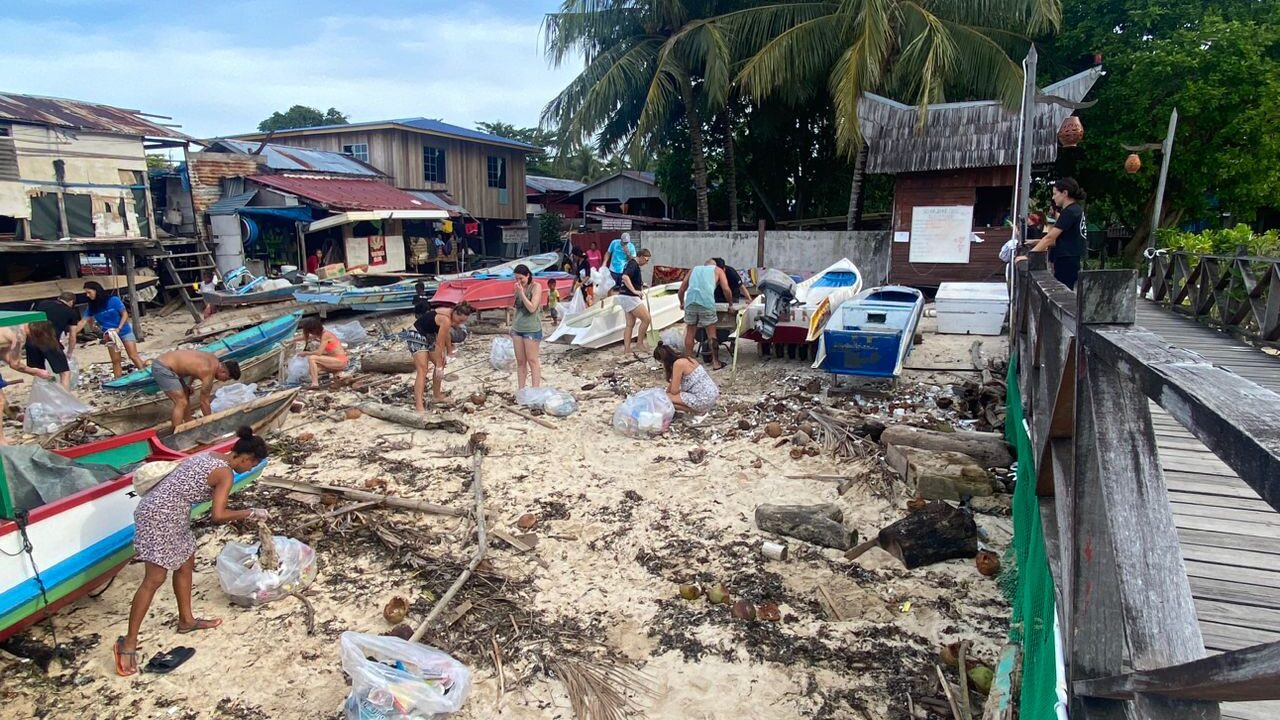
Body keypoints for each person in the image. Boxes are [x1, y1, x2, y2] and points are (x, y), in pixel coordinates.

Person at [113, 426, 270, 677]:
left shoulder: (213, 456)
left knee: (186, 562)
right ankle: (128, 643)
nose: (249, 470)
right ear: (244, 457)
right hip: (160, 517)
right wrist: (251, 512)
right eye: (251, 465)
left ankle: (186, 620)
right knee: (154, 579)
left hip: (167, 512)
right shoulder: (225, 473)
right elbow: (218, 516)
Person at [407, 300, 474, 413]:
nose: (459, 324)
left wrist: (449, 350)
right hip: (417, 334)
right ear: (455, 313)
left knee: (441, 362)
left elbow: (446, 334)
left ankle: (436, 396)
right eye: (460, 320)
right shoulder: (445, 319)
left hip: (430, 334)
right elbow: (439, 344)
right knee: (423, 369)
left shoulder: (450, 315)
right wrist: (437, 365)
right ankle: (419, 405)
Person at [151, 349, 241, 429]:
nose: (224, 381)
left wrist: (188, 384)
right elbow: (204, 402)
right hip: (163, 367)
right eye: (227, 378)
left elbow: (194, 369)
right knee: (181, 402)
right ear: (224, 372)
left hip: (169, 364)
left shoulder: (213, 360)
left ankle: (189, 423)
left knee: (186, 393)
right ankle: (176, 432)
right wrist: (211, 423)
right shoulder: (209, 372)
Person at [1023, 179, 1087, 289]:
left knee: (1063, 291)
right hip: (1072, 257)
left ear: (1065, 193)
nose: (1053, 197)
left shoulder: (1069, 212)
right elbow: (1061, 239)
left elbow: (1050, 237)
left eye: (1055, 194)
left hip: (1066, 259)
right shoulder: (1077, 210)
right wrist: (1035, 242)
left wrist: (1028, 256)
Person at [0, 325, 53, 445]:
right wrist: (38, 371)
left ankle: (1, 438)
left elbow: (5, 357)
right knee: (0, 402)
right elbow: (15, 364)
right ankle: (1, 440)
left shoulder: (12, 327)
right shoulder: (19, 335)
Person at [83, 281, 147, 378]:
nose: (87, 295)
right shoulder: (92, 307)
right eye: (86, 293)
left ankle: (145, 374)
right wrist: (94, 328)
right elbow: (86, 320)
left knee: (133, 355)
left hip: (124, 330)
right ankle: (118, 380)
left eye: (89, 292)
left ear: (96, 291)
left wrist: (119, 328)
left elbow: (124, 314)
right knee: (115, 360)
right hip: (109, 334)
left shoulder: (113, 300)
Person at [678, 259, 734, 370]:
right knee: (711, 334)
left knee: (690, 332)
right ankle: (716, 363)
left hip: (691, 302)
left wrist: (682, 303)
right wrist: (730, 304)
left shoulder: (694, 269)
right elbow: (726, 289)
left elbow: (681, 289)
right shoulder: (718, 270)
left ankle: (689, 362)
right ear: (714, 266)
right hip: (706, 303)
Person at [653, 343, 720, 415]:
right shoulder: (689, 359)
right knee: (668, 399)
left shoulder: (678, 364)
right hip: (712, 394)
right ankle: (697, 410)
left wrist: (672, 377)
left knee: (664, 399)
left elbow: (674, 391)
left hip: (702, 398)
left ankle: (696, 411)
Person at [510, 264, 544, 392]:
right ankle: (521, 390)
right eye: (516, 279)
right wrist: (512, 326)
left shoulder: (536, 287)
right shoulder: (517, 288)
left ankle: (535, 390)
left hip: (531, 328)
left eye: (521, 278)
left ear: (527, 275)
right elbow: (517, 308)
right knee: (520, 361)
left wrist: (522, 293)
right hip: (518, 328)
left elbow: (532, 308)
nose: (519, 281)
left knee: (532, 360)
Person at [296, 317, 350, 389]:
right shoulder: (320, 334)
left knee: (312, 358)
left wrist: (305, 353)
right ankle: (335, 373)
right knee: (312, 370)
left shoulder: (326, 335)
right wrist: (291, 341)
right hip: (334, 361)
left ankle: (315, 383)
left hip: (340, 360)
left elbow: (319, 353)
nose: (311, 333)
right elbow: (307, 337)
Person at [617, 248, 652, 355]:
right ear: (641, 257)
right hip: (630, 296)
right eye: (646, 260)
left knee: (630, 324)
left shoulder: (631, 264)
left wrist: (641, 285)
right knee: (646, 319)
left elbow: (629, 278)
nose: (647, 262)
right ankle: (639, 343)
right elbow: (625, 277)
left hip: (623, 295)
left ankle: (627, 349)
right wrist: (634, 291)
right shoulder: (633, 264)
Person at [24, 321, 71, 389]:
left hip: (31, 340)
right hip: (46, 337)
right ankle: (64, 396)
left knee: (38, 372)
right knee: (64, 372)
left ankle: (47, 389)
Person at [34, 292, 81, 358]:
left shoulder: (43, 303)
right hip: (51, 341)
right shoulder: (71, 312)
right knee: (61, 367)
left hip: (33, 340)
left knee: (35, 367)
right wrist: (69, 353)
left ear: (58, 298)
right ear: (71, 302)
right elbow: (72, 336)